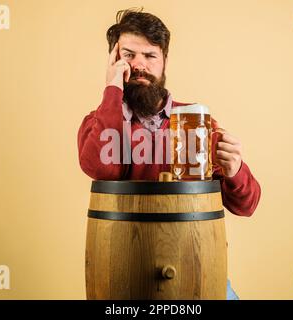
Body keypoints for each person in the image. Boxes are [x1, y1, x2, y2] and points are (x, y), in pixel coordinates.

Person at [77, 8, 261, 300]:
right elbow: (104, 170)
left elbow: (246, 204)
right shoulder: (98, 121)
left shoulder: (196, 122)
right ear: (113, 60)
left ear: (164, 62)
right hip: (127, 274)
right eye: (128, 55)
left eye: (150, 56)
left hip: (198, 268)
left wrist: (235, 169)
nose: (139, 65)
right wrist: (112, 87)